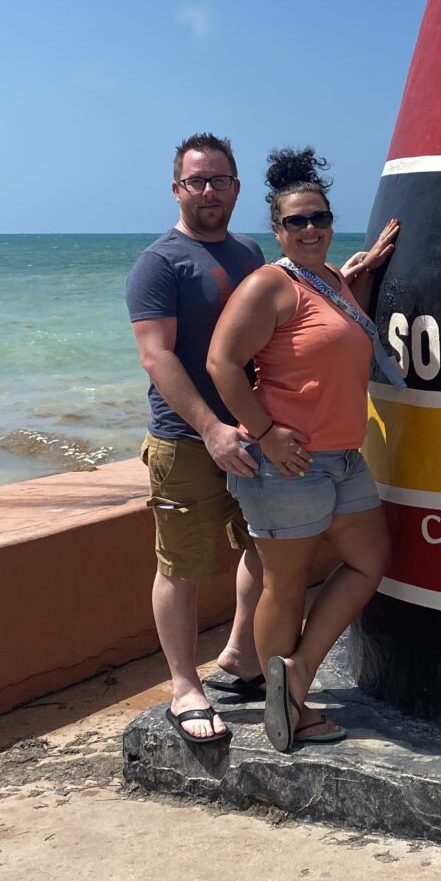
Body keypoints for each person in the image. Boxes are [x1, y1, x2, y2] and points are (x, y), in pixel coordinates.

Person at [207, 146, 399, 751]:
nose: (310, 228)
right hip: (286, 465)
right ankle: (287, 708)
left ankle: (294, 676)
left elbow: (335, 337)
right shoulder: (269, 284)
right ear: (277, 229)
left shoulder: (332, 280)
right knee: (285, 587)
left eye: (320, 218)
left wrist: (362, 271)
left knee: (370, 560)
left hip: (342, 457)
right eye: (297, 221)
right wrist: (265, 433)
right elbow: (222, 363)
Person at [125, 133, 267, 745]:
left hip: (252, 433)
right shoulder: (160, 263)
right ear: (177, 189)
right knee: (182, 569)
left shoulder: (249, 252)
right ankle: (185, 687)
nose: (209, 191)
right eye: (197, 181)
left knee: (267, 546)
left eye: (220, 180)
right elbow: (156, 356)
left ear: (236, 187)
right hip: (186, 441)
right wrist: (211, 430)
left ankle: (239, 653)